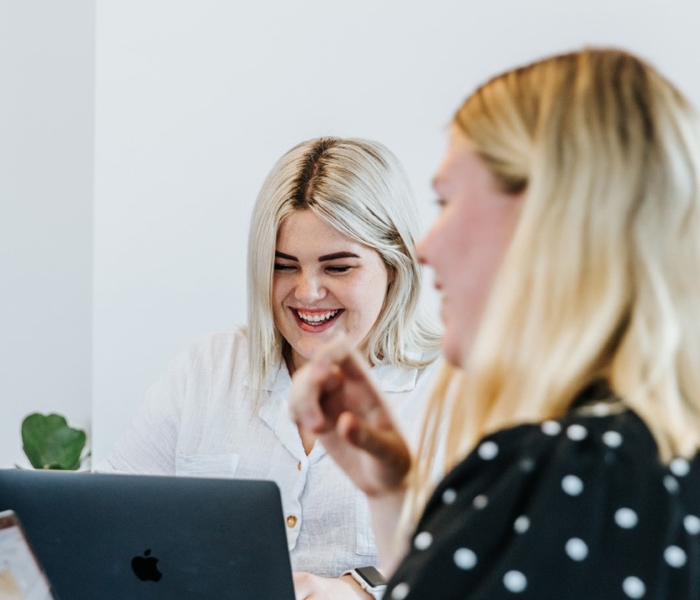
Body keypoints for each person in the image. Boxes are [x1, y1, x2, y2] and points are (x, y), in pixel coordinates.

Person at [289, 48, 700, 599]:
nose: (424, 248)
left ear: (547, 218)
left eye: (446, 200)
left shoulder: (562, 470)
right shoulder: (649, 462)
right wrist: (390, 496)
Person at [96, 136, 441, 598]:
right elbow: (102, 517)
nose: (307, 292)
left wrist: (361, 592)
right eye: (283, 266)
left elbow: (489, 570)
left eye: (337, 268)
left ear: (395, 266)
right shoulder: (206, 371)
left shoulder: (454, 391)